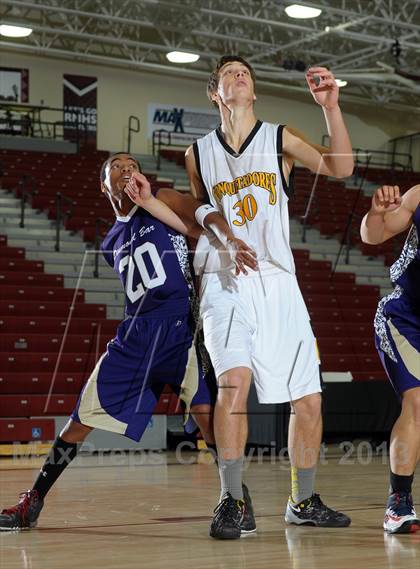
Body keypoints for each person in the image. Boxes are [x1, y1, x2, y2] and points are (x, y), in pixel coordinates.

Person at [0, 152, 218, 531]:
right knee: (79, 421)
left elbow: (201, 227)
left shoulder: (161, 199)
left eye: (131, 163)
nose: (127, 168)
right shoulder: (110, 240)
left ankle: (235, 495)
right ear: (105, 185)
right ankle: (32, 501)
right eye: (116, 165)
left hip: (179, 328)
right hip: (135, 336)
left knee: (209, 419)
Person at [186, 55, 354, 539]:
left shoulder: (277, 138)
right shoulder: (197, 153)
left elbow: (339, 168)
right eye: (228, 74)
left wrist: (331, 108)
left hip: (279, 279)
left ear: (253, 91)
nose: (239, 76)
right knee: (233, 384)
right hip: (227, 277)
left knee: (308, 399)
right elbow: (200, 209)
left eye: (246, 73)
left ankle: (301, 500)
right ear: (216, 93)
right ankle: (230, 500)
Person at [361, 183, 420, 534]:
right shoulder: (418, 195)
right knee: (417, 404)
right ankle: (399, 503)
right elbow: (372, 235)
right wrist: (376, 212)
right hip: (406, 319)